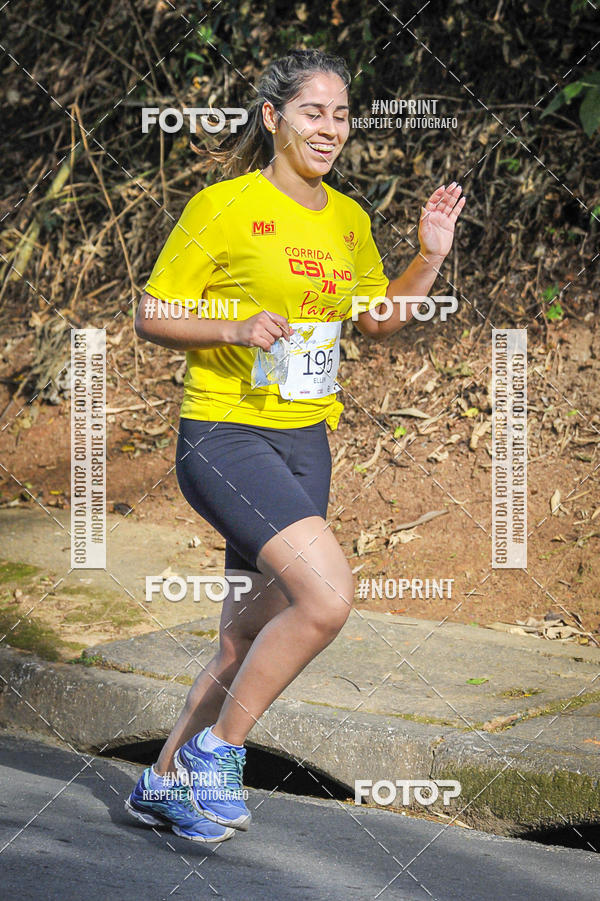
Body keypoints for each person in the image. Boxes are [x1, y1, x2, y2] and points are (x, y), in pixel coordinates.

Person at [124, 48, 465, 843]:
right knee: (326, 596)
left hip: (306, 442)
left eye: (343, 116)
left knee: (243, 638)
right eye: (315, 112)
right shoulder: (224, 205)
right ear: (274, 118)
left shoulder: (346, 219)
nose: (331, 129)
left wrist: (429, 256)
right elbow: (150, 312)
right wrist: (234, 327)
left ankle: (162, 782)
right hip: (225, 434)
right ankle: (219, 752)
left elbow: (378, 319)